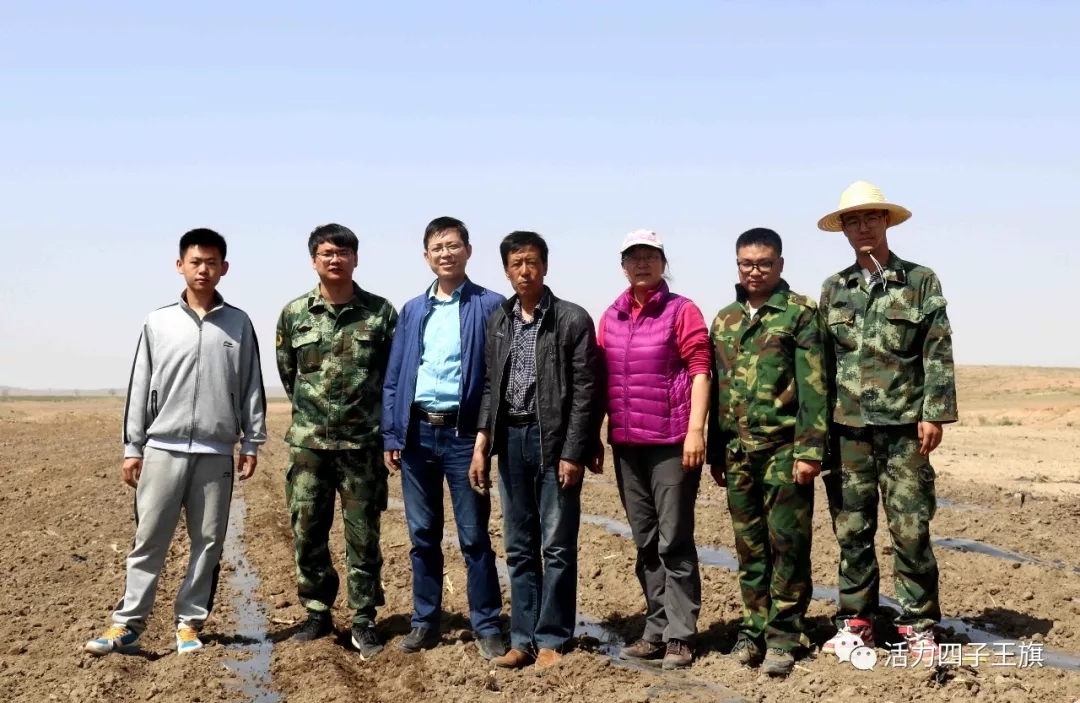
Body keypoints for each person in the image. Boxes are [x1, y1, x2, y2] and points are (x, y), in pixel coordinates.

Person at [85, 228, 267, 656]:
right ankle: (127, 625)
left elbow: (251, 385)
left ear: (224, 268)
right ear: (180, 265)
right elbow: (139, 385)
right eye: (195, 261)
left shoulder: (239, 323)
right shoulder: (158, 321)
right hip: (162, 448)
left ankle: (189, 624)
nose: (203, 270)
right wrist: (133, 447)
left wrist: (252, 442)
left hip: (215, 453)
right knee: (149, 539)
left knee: (208, 543)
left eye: (211, 262)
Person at [816, 181, 958, 659]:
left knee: (911, 529)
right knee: (852, 530)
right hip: (848, 432)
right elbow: (823, 364)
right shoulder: (834, 289)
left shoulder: (920, 281)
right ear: (844, 230)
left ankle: (918, 624)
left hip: (904, 432)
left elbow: (937, 348)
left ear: (886, 222)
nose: (863, 228)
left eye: (871, 218)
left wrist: (934, 413)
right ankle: (857, 622)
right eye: (853, 221)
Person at [469, 231, 602, 670]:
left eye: (531, 262)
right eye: (516, 264)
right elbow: (491, 386)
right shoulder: (499, 321)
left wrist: (573, 451)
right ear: (506, 270)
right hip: (511, 441)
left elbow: (585, 390)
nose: (524, 271)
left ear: (545, 266)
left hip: (554, 442)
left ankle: (552, 639)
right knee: (519, 545)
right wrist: (482, 442)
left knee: (557, 546)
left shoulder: (571, 319)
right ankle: (522, 639)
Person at [380, 216, 508, 659]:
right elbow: (395, 376)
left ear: (468, 251)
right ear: (426, 256)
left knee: (474, 537)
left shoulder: (490, 305)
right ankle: (425, 622)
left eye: (453, 245)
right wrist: (392, 434)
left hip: (463, 436)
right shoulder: (414, 310)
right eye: (437, 248)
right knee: (422, 535)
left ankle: (486, 624)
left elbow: (495, 378)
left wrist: (483, 437)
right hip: (417, 435)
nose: (445, 254)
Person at [706, 227, 828, 677]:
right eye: (746, 264)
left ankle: (784, 635)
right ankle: (753, 629)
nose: (754, 271)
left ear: (780, 264)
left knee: (788, 546)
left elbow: (815, 387)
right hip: (738, 453)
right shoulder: (725, 320)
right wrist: (716, 451)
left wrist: (810, 450)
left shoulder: (799, 313)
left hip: (784, 450)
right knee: (749, 548)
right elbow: (718, 390)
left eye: (763, 263)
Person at [275, 223, 398, 660]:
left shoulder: (380, 313)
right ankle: (316, 611)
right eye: (326, 253)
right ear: (314, 260)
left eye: (343, 252)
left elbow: (392, 377)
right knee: (308, 531)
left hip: (362, 446)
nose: (335, 259)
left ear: (356, 259)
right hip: (310, 446)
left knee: (363, 535)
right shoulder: (294, 314)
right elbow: (289, 373)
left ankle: (364, 618)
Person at [595, 229, 711, 670]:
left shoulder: (682, 310)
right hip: (627, 445)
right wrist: (593, 437)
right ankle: (656, 629)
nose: (641, 263)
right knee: (645, 540)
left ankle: (681, 636)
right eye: (633, 257)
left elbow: (700, 370)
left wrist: (695, 431)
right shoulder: (612, 316)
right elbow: (600, 378)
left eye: (650, 256)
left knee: (673, 538)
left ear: (663, 263)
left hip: (670, 443)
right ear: (623, 266)